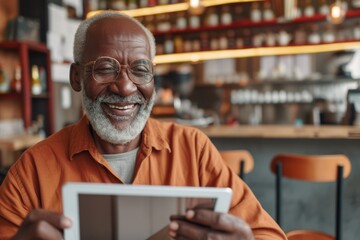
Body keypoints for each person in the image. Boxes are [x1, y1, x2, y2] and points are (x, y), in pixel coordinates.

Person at [0, 11, 287, 239]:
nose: (125, 87)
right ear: (76, 77)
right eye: (104, 68)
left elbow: (269, 235)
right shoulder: (32, 170)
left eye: (140, 70)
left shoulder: (193, 150)